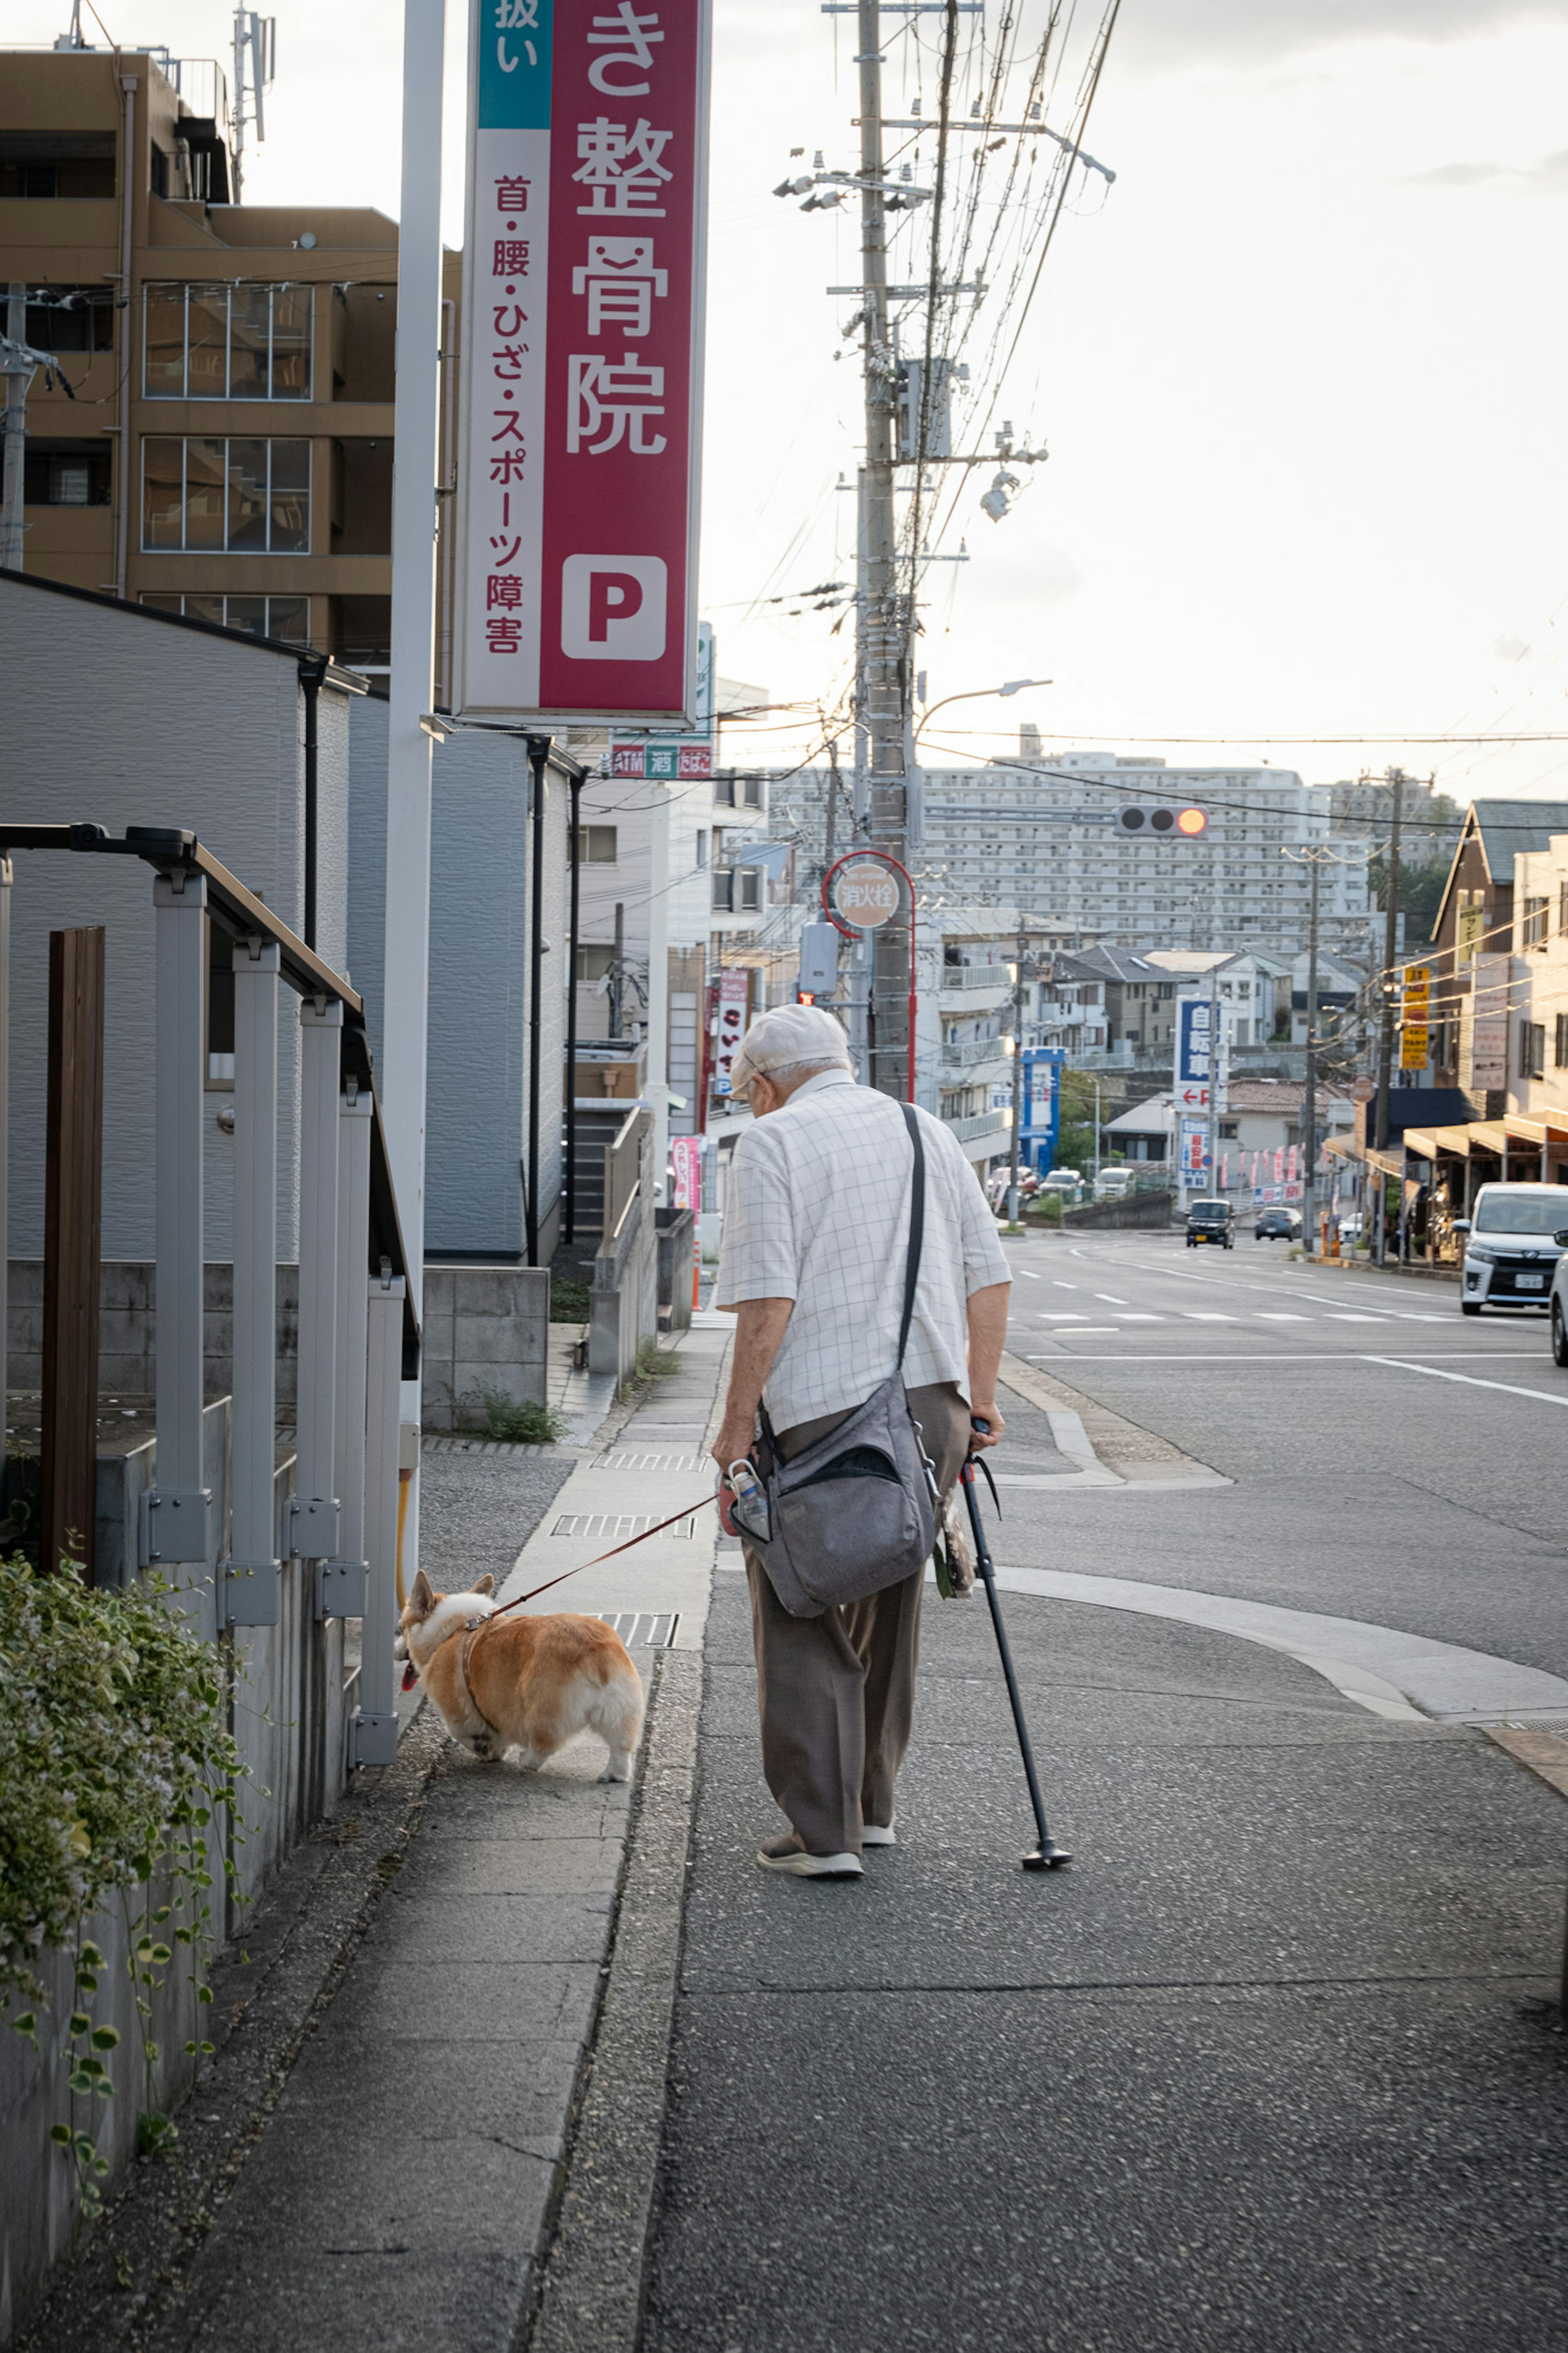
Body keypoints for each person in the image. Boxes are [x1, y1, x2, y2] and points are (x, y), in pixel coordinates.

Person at [710, 1003, 1012, 1878]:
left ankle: (823, 1833)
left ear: (764, 1083)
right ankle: (873, 1806)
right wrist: (981, 1400)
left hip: (824, 1411)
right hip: (931, 1406)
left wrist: (734, 1435)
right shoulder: (926, 1132)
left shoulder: (772, 1144)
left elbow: (767, 1304)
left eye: (749, 1090)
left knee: (797, 1600)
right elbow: (988, 1274)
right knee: (887, 1590)